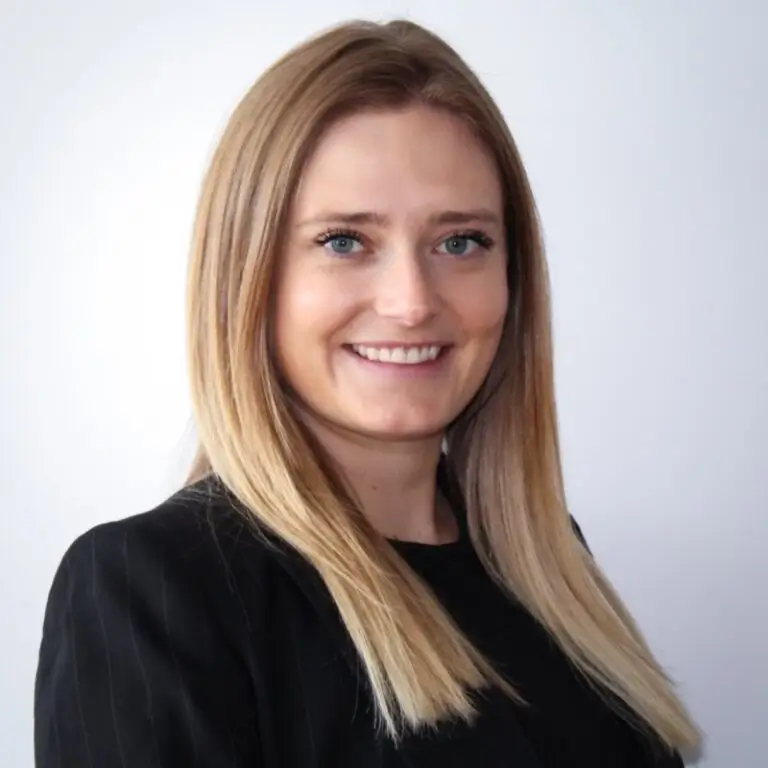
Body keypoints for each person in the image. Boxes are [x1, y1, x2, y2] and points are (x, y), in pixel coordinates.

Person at [34, 18, 702, 768]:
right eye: (345, 241)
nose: (412, 301)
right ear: (248, 279)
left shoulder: (549, 565)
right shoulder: (157, 591)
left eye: (460, 242)